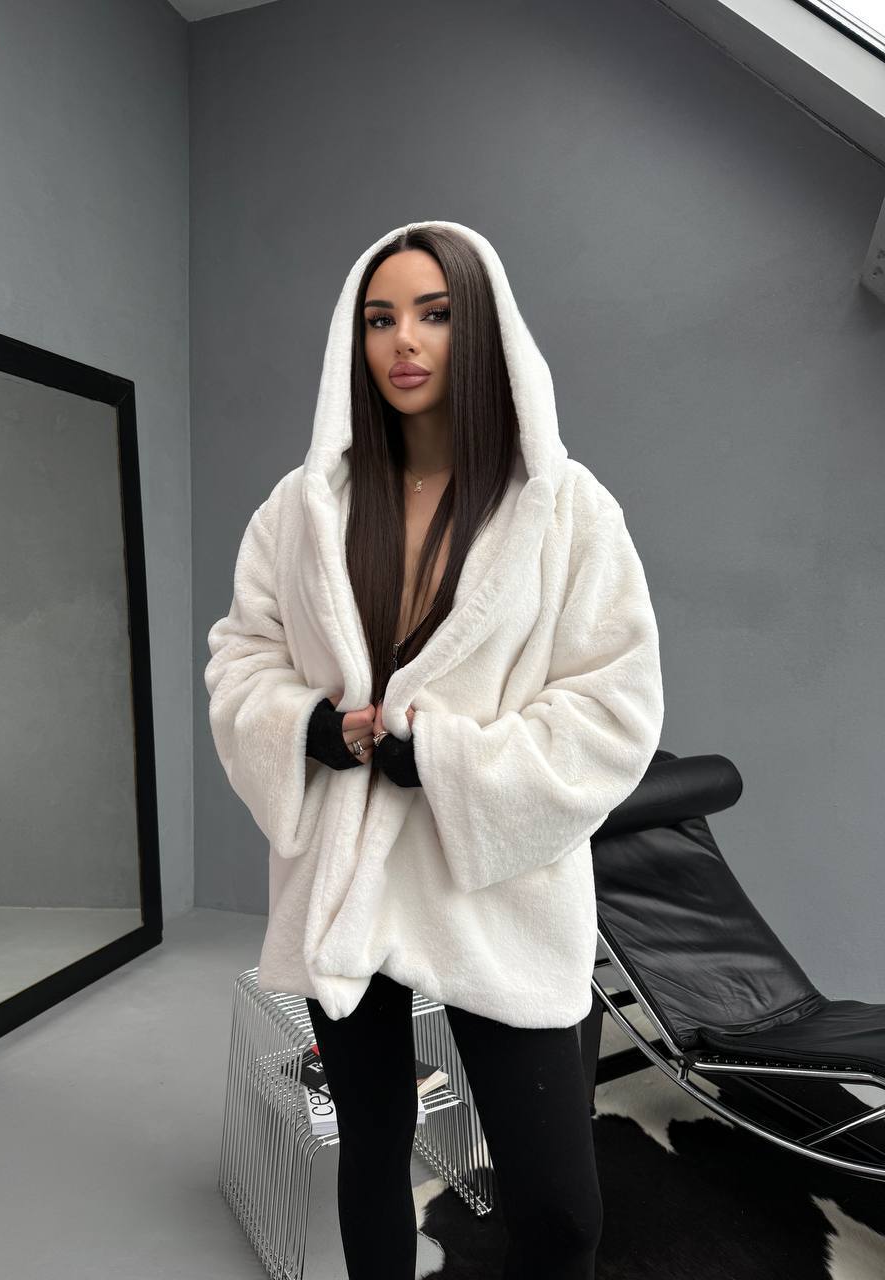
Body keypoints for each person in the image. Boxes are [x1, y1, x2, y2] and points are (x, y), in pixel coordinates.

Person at [204, 220, 665, 1279]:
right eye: (380, 318)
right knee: (370, 1147)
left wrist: (448, 761)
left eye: (435, 313)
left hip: (493, 882)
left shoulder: (565, 510)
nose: (403, 340)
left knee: (561, 1208)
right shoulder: (301, 510)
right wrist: (308, 728)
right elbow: (242, 655)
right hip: (344, 879)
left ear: (483, 329)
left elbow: (614, 704)